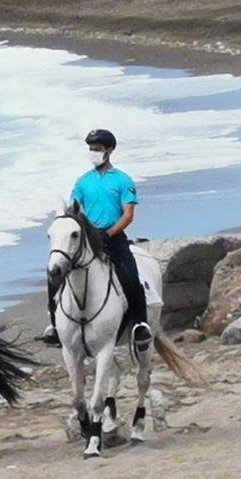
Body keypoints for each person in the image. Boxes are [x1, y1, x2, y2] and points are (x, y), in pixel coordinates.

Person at [43, 129, 153, 348]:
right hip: (86, 241)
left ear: (109, 151)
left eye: (98, 149)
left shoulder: (123, 180)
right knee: (54, 273)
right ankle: (55, 325)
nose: (93, 153)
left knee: (130, 275)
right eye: (91, 149)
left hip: (114, 238)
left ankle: (140, 324)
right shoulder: (83, 181)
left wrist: (108, 233)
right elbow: (74, 210)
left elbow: (128, 214)